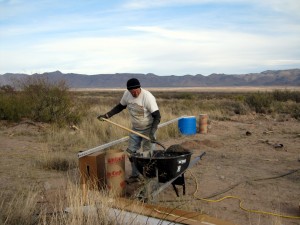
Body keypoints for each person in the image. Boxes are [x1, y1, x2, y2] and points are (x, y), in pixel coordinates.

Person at [97, 78, 161, 183]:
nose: (134, 93)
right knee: (131, 153)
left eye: (136, 91)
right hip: (135, 129)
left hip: (148, 129)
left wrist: (152, 132)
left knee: (147, 155)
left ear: (140, 88)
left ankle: (149, 179)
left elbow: (157, 116)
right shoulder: (127, 94)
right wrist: (107, 115)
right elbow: (120, 107)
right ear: (128, 90)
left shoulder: (148, 97)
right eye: (132, 92)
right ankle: (135, 176)